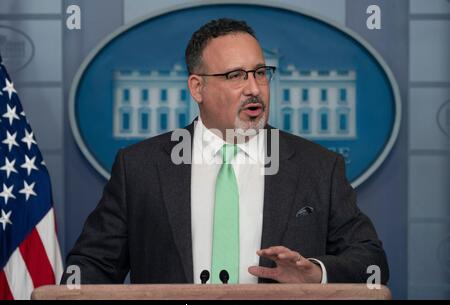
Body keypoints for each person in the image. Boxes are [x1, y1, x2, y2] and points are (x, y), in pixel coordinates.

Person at [61, 18, 389, 285]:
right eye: (235, 76)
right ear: (197, 87)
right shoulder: (140, 167)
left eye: (261, 73)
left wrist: (315, 273)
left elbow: (371, 262)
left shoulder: (319, 167)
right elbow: (92, 265)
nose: (254, 88)